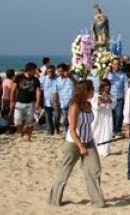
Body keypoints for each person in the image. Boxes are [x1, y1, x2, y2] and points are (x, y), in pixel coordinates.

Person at [48, 80, 105, 208]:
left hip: (88, 140)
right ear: (85, 91)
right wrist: (80, 147)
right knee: (65, 170)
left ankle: (97, 201)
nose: (93, 92)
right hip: (74, 143)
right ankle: (54, 199)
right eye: (91, 89)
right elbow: (72, 130)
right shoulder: (74, 106)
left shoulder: (89, 104)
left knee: (94, 169)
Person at [12, 63, 41, 141]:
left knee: (29, 122)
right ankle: (22, 132)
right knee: (17, 121)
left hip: (31, 103)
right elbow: (13, 89)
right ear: (29, 70)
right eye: (34, 70)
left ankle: (29, 138)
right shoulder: (19, 77)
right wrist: (12, 100)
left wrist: (38, 102)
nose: (35, 71)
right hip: (19, 102)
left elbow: (38, 91)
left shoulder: (35, 79)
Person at [92, 79, 116, 157]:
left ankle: (105, 150)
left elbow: (113, 106)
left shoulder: (112, 96)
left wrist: (109, 100)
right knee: (96, 132)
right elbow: (93, 106)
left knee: (107, 132)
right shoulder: (96, 95)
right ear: (102, 87)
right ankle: (95, 149)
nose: (108, 87)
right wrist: (98, 103)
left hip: (107, 117)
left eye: (109, 86)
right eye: (106, 86)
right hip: (98, 117)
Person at [106, 58, 128, 137]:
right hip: (110, 98)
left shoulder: (123, 75)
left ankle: (117, 130)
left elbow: (126, 87)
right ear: (111, 65)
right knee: (111, 115)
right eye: (115, 64)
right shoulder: (109, 74)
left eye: (118, 64)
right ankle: (112, 130)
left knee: (119, 115)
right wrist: (106, 73)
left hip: (119, 98)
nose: (116, 66)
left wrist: (126, 98)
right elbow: (103, 83)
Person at [56, 63, 76, 135]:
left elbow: (78, 85)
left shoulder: (73, 77)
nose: (60, 73)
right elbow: (56, 91)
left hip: (72, 102)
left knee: (72, 118)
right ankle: (65, 131)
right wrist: (55, 102)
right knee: (65, 118)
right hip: (63, 102)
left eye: (61, 71)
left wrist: (70, 77)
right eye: (58, 71)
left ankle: (71, 131)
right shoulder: (57, 80)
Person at [41, 65, 60, 136]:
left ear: (54, 71)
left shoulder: (58, 79)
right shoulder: (43, 79)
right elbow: (39, 89)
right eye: (49, 71)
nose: (50, 73)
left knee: (57, 118)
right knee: (48, 118)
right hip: (47, 102)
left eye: (52, 71)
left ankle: (57, 130)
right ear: (47, 72)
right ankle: (50, 132)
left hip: (57, 102)